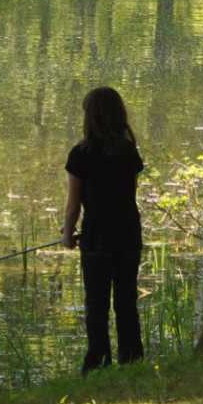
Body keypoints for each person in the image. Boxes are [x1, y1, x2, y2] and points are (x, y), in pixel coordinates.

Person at [61, 86, 146, 371]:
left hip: (96, 237)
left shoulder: (80, 154)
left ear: (91, 117)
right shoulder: (128, 151)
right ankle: (132, 358)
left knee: (96, 304)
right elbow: (129, 195)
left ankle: (97, 360)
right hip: (128, 234)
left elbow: (74, 205)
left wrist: (66, 234)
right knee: (126, 301)